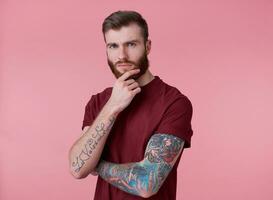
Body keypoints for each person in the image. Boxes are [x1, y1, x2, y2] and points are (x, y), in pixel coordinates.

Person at [69, 10, 193, 200]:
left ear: (148, 46)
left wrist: (98, 166)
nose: (122, 55)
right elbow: (77, 168)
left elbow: (147, 183)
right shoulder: (99, 102)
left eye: (131, 44)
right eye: (113, 46)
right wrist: (112, 107)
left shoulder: (174, 103)